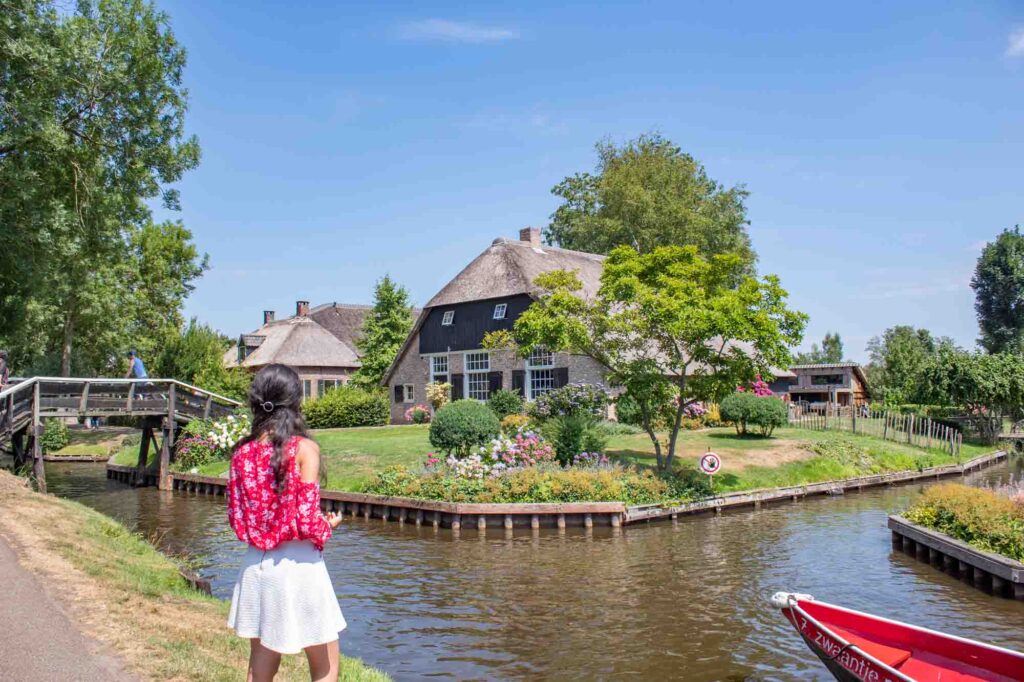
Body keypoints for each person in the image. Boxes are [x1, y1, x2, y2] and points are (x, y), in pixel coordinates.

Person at [226, 364, 346, 682]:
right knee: (325, 663)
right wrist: (327, 526)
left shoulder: (241, 453)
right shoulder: (304, 449)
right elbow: (306, 520)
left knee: (261, 667)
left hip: (255, 566)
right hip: (299, 566)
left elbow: (236, 517)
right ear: (296, 402)